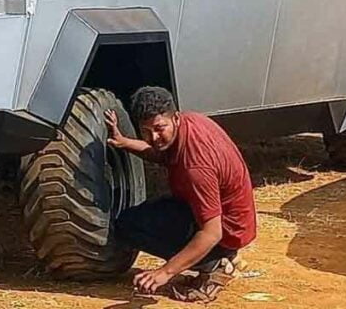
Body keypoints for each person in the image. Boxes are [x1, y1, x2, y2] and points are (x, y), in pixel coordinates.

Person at [105, 86, 256, 303]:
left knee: (130, 224)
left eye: (159, 128)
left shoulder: (196, 166)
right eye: (145, 131)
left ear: (175, 118)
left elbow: (212, 232)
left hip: (226, 232)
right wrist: (125, 142)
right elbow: (162, 155)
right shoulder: (189, 122)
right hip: (229, 219)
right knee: (149, 213)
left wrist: (165, 272)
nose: (154, 137)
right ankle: (218, 257)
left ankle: (216, 263)